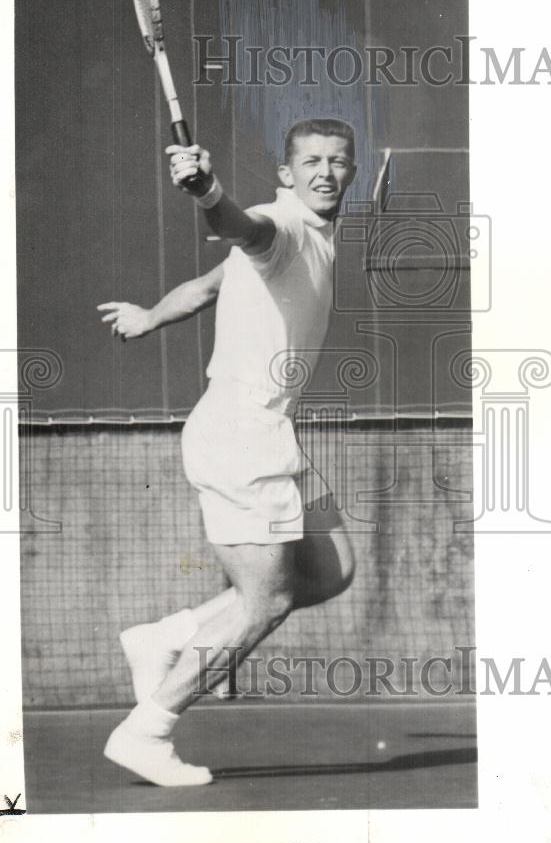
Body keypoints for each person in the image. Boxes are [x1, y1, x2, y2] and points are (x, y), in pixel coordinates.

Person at [96, 119, 358, 786]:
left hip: (271, 432)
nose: (325, 171)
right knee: (264, 602)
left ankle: (163, 636)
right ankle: (148, 731)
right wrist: (209, 191)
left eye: (337, 160)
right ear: (287, 175)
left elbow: (207, 286)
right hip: (242, 435)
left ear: (351, 171)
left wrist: (150, 316)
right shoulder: (285, 224)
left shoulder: (316, 235)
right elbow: (246, 229)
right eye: (310, 161)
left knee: (330, 569)